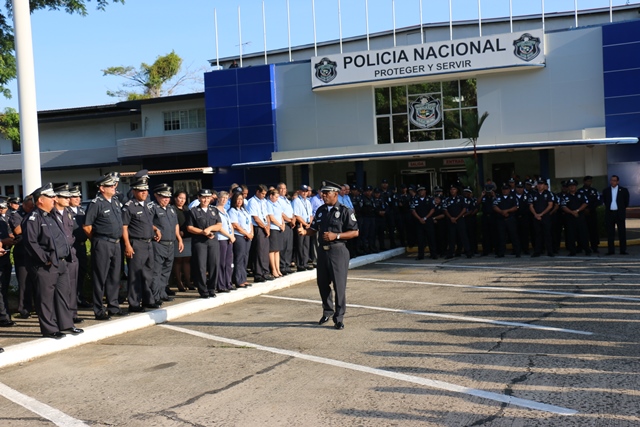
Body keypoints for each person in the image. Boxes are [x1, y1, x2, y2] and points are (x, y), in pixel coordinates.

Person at [23, 183, 83, 339]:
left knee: (63, 295)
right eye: (50, 197)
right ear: (40, 200)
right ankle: (49, 329)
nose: (54, 199)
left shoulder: (51, 215)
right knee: (46, 298)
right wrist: (45, 259)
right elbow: (31, 242)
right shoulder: (33, 218)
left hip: (61, 262)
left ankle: (66, 325)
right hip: (45, 265)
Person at [298, 180, 358, 330]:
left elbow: (355, 232)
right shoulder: (321, 210)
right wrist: (305, 232)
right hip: (323, 252)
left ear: (335, 194)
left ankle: (339, 317)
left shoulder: (345, 210)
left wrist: (336, 236)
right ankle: (327, 311)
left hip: (338, 251)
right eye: (323, 193)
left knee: (339, 286)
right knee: (323, 284)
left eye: (326, 193)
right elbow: (314, 229)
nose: (323, 195)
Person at [83, 173, 128, 320]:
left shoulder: (114, 201)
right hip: (102, 243)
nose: (114, 187)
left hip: (116, 243)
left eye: (114, 185)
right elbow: (87, 226)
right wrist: (98, 239)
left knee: (114, 276)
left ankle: (113, 306)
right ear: (102, 188)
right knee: (100, 277)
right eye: (110, 186)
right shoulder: (96, 203)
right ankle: (99, 310)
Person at [122, 177, 162, 312]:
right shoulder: (129, 207)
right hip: (137, 243)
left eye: (145, 190)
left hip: (149, 243)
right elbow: (124, 227)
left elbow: (147, 223)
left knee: (148, 274)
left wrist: (155, 229)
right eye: (141, 190)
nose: (144, 193)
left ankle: (148, 300)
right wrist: (127, 245)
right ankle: (134, 303)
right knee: (135, 275)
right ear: (134, 191)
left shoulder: (146, 205)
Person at [52, 184, 82, 324]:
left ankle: (72, 313)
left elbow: (71, 232)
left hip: (71, 253)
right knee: (61, 287)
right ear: (56, 198)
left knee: (72, 284)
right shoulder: (51, 214)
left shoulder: (68, 213)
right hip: (59, 255)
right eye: (64, 197)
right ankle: (62, 316)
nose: (68, 199)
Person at [185, 188, 222, 298]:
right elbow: (189, 227)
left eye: (208, 197)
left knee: (214, 265)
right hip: (199, 242)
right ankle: (203, 290)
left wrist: (209, 229)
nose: (206, 200)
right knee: (200, 266)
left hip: (212, 241)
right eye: (203, 197)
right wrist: (203, 232)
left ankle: (212, 288)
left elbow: (219, 225)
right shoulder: (193, 211)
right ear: (199, 198)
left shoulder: (214, 210)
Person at [151, 184, 183, 302]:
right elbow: (147, 222)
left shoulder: (171, 209)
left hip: (170, 243)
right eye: (163, 197)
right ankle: (155, 295)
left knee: (166, 270)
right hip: (159, 244)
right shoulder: (152, 208)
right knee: (157, 271)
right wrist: (155, 229)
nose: (166, 199)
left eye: (168, 197)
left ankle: (162, 293)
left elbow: (175, 225)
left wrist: (179, 239)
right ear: (157, 196)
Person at [9, 195, 35, 319]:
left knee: (36, 281)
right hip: (22, 251)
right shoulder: (16, 214)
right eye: (29, 207)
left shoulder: (34, 213)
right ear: (24, 204)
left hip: (34, 252)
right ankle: (24, 309)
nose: (31, 209)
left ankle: (36, 307)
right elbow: (18, 231)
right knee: (24, 282)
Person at [68, 185, 91, 308]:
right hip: (72, 246)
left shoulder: (81, 211)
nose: (78, 199)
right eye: (75, 197)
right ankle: (72, 300)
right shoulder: (66, 212)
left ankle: (80, 297)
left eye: (79, 196)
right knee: (72, 274)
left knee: (81, 272)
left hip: (82, 246)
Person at [247, 184, 273, 282]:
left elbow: (267, 215)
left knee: (265, 251)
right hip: (258, 228)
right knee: (259, 251)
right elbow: (255, 218)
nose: (263, 196)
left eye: (265, 194)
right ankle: (258, 273)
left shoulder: (264, 201)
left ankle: (265, 272)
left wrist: (268, 226)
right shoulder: (252, 202)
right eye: (262, 194)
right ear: (257, 192)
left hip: (265, 227)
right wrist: (265, 227)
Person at [560, 179, 591, 256]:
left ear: (576, 186)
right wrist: (572, 212)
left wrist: (577, 210)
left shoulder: (581, 194)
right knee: (571, 235)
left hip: (580, 217)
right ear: (568, 187)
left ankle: (587, 250)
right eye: (570, 186)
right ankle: (572, 251)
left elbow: (585, 203)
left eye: (573, 185)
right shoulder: (565, 197)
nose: (572, 187)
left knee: (583, 234)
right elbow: (563, 206)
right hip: (570, 218)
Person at [229, 192, 253, 288]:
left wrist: (251, 233)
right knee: (239, 258)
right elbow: (235, 225)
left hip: (248, 236)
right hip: (239, 236)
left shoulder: (244, 210)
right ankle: (238, 280)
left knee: (245, 257)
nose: (239, 201)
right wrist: (246, 233)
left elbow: (250, 222)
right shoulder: (232, 211)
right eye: (238, 199)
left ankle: (243, 278)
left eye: (241, 199)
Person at [602, 174, 630, 255]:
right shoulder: (606, 190)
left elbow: (626, 202)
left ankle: (623, 250)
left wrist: (621, 209)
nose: (612, 182)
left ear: (618, 182)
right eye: (611, 180)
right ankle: (611, 250)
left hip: (619, 213)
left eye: (614, 180)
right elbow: (605, 201)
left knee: (622, 232)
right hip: (610, 214)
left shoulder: (623, 190)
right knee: (610, 233)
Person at [171, 190, 193, 292]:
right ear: (175, 198)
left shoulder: (186, 209)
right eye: (180, 198)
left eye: (184, 198)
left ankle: (188, 281)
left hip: (188, 237)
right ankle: (179, 283)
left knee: (187, 260)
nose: (182, 200)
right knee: (178, 260)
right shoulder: (172, 209)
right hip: (177, 237)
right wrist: (178, 232)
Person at [493, 184, 521, 258]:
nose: (505, 191)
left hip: (510, 219)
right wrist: (502, 212)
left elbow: (516, 207)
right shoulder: (498, 197)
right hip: (501, 219)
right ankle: (501, 253)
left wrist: (507, 211)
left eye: (506, 189)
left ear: (509, 190)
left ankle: (517, 252)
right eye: (503, 189)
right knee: (501, 236)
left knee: (514, 236)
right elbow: (494, 206)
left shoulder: (513, 197)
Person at [215, 191, 235, 292]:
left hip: (228, 239)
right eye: (222, 198)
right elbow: (219, 227)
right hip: (221, 239)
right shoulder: (215, 210)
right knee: (221, 263)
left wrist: (232, 236)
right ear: (218, 198)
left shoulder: (225, 211)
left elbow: (229, 224)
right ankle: (221, 284)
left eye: (226, 198)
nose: (224, 200)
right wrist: (229, 235)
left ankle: (228, 282)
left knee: (228, 263)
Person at [410, 186, 437, 260]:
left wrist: (425, 218)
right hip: (419, 222)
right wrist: (420, 219)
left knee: (431, 238)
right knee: (420, 239)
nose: (421, 192)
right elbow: (413, 211)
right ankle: (420, 255)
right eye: (419, 191)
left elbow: (432, 209)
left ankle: (433, 254)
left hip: (428, 221)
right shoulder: (415, 200)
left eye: (422, 190)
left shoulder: (430, 199)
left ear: (425, 191)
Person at [292, 185, 313, 271]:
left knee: (306, 245)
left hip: (307, 224)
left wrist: (310, 223)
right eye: (303, 191)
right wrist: (305, 224)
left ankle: (305, 262)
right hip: (300, 224)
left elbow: (310, 214)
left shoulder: (308, 201)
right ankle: (300, 264)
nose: (304, 193)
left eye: (306, 191)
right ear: (299, 191)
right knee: (300, 245)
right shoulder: (296, 201)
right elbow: (297, 215)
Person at [276, 183, 295, 274]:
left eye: (284, 188)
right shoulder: (278, 200)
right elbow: (281, 213)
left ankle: (287, 265)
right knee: (283, 246)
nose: (283, 190)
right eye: (281, 188)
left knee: (289, 246)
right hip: (284, 224)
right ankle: (282, 266)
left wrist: (293, 220)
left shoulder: (287, 200)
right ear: (278, 189)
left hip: (290, 225)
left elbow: (292, 212)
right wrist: (289, 220)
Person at [579, 176, 601, 253]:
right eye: (588, 181)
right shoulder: (579, 191)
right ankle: (583, 247)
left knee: (593, 231)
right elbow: (577, 202)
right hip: (582, 214)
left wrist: (590, 209)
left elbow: (598, 201)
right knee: (583, 231)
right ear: (584, 182)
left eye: (590, 181)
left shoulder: (594, 191)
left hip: (592, 213)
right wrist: (584, 209)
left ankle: (594, 247)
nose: (589, 183)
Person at [266, 188, 285, 278]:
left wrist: (283, 224)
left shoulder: (278, 204)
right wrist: (280, 225)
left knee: (277, 250)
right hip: (273, 228)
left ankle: (278, 269)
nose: (277, 199)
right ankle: (273, 269)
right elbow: (272, 218)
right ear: (271, 196)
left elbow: (281, 215)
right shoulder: (268, 204)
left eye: (278, 197)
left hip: (279, 228)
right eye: (276, 197)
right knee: (272, 250)